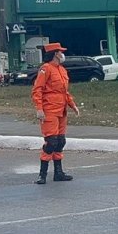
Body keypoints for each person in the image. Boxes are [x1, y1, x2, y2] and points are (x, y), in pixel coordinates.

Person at [31, 42, 81, 184]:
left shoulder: (62, 70)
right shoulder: (45, 69)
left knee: (60, 142)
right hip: (49, 110)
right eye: (60, 51)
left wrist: (72, 105)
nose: (62, 54)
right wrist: (39, 109)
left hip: (62, 110)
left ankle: (58, 173)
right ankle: (42, 175)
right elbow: (37, 90)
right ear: (55, 54)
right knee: (51, 142)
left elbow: (64, 92)